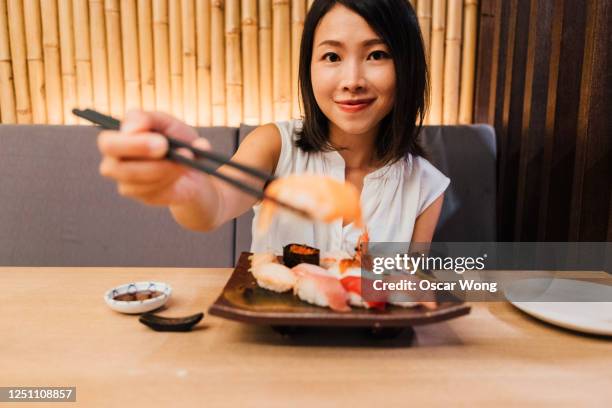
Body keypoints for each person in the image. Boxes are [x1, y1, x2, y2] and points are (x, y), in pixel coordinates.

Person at [96, 0, 449, 255]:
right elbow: (214, 205)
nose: (352, 80)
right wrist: (184, 186)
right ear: (308, 67)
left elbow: (405, 288)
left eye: (376, 55)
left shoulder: (425, 187)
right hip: (274, 348)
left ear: (407, 66)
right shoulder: (273, 145)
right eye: (332, 57)